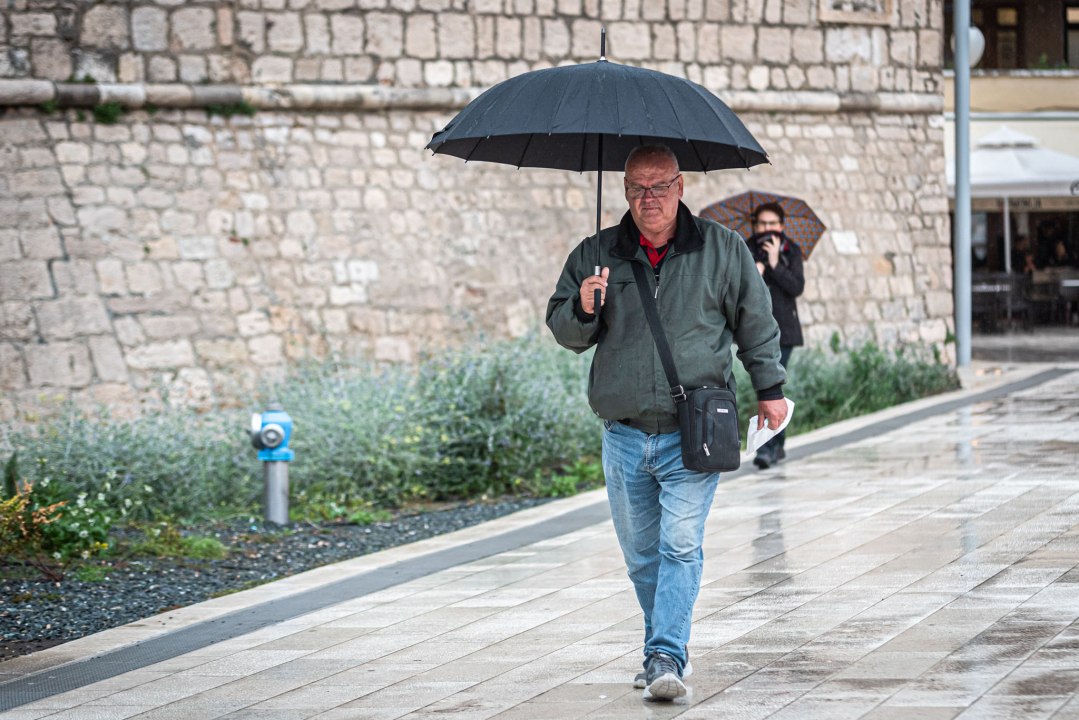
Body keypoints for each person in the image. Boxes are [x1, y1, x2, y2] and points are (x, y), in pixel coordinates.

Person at [546, 145, 787, 701]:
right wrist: (582, 306)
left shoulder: (722, 249)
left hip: (694, 428)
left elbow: (756, 322)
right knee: (641, 556)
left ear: (681, 187)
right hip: (624, 432)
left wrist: (770, 390)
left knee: (679, 543)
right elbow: (566, 332)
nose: (647, 198)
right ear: (624, 190)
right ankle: (664, 643)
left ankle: (664, 655)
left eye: (658, 186)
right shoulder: (596, 254)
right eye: (636, 188)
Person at [745, 202, 805, 469]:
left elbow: (796, 287)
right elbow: (738, 289)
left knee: (772, 385)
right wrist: (754, 273)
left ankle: (768, 448)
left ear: (781, 226)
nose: (767, 228)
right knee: (764, 385)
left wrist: (774, 264)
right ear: (755, 225)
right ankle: (776, 445)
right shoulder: (745, 249)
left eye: (772, 224)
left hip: (785, 331)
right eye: (762, 224)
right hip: (755, 330)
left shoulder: (792, 250)